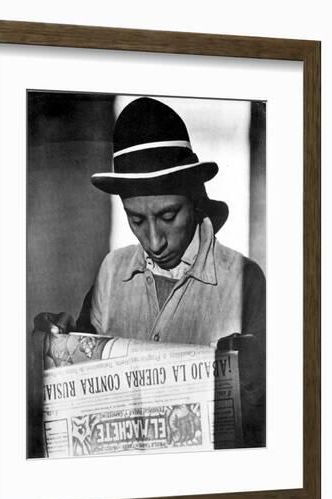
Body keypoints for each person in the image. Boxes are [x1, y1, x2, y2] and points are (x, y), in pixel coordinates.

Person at [34, 97, 266, 446]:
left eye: (168, 216)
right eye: (136, 220)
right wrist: (61, 344)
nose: (154, 241)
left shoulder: (244, 280)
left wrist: (257, 381)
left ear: (195, 198)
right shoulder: (111, 272)